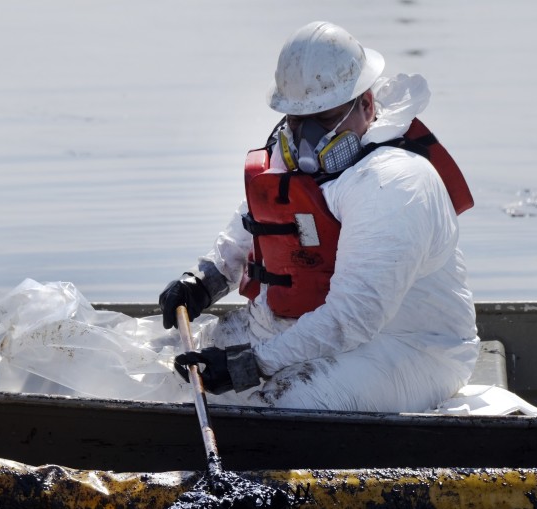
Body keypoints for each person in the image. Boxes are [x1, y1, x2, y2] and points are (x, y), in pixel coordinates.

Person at [159, 21, 479, 412]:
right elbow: (254, 224)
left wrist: (254, 364)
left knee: (286, 402)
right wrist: (203, 281)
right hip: (306, 327)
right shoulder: (289, 155)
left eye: (324, 119)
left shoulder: (395, 184)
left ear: (367, 105)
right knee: (180, 367)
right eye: (297, 119)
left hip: (410, 347)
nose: (307, 136)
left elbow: (355, 316)